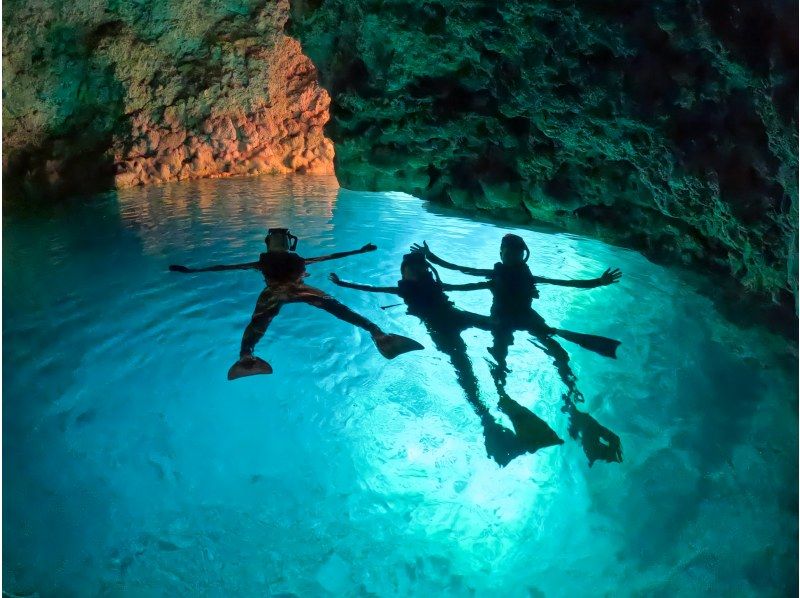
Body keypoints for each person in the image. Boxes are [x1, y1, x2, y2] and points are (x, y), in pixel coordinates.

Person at [330, 252, 563, 465]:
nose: (415, 272)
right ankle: (487, 419)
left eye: (418, 268)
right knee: (464, 367)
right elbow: (374, 289)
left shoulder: (429, 281)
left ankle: (505, 372)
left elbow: (444, 282)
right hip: (442, 330)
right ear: (406, 271)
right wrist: (343, 283)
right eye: (412, 269)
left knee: (499, 324)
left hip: (455, 316)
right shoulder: (407, 289)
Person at [169, 228, 423, 380]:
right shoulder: (296, 260)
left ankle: (246, 355)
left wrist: (192, 271)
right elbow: (330, 256)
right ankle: (376, 332)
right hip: (299, 290)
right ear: (288, 244)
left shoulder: (264, 262)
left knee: (258, 322)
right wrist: (360, 251)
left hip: (274, 293)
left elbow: (225, 267)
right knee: (337, 308)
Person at [411, 235, 621, 402]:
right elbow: (460, 270)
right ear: (501, 253)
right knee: (502, 355)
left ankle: (568, 388)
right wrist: (430, 258)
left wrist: (598, 282)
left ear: (522, 255)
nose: (511, 257)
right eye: (509, 253)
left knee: (554, 351)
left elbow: (565, 283)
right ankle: (501, 386)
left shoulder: (521, 277)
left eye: (516, 253)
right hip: (503, 320)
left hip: (518, 317)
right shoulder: (498, 277)